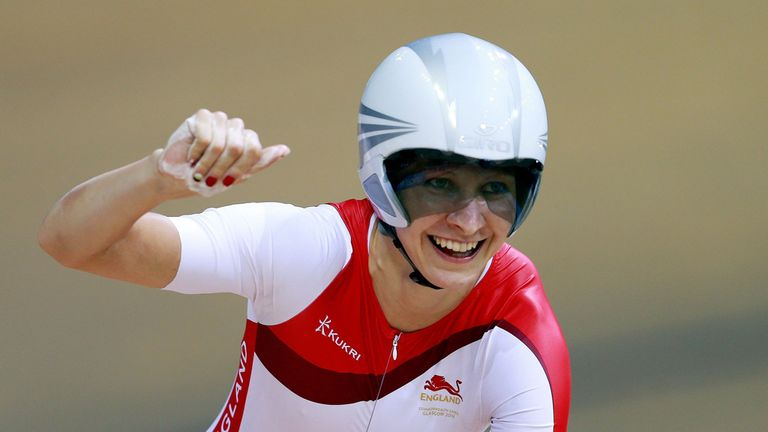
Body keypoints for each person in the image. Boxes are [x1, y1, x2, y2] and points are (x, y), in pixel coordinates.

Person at [38, 33, 570, 431]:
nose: (470, 221)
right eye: (440, 184)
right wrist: (156, 179)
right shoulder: (301, 251)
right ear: (382, 177)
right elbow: (68, 241)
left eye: (498, 188)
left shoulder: (517, 339)